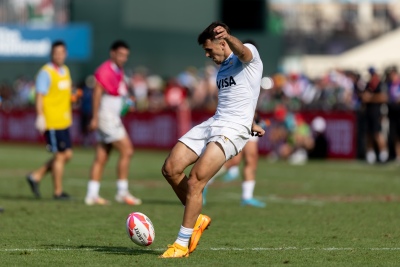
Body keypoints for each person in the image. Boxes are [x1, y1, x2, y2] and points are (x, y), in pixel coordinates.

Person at [159, 22, 264, 258]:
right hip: (215, 122)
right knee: (170, 168)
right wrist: (252, 122)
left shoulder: (248, 54)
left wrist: (230, 37)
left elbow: (243, 51)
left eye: (209, 50)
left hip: (232, 130)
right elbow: (239, 99)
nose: (207, 55)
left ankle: (181, 244)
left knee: (196, 181)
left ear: (223, 43)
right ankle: (196, 219)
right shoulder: (223, 67)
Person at [84, 40, 141, 206]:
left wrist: (126, 103)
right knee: (127, 150)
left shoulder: (118, 70)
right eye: (121, 54)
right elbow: (97, 94)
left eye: (126, 56)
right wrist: (94, 117)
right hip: (106, 117)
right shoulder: (104, 70)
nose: (124, 58)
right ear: (112, 53)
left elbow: (118, 92)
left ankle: (91, 194)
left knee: (102, 156)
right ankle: (122, 192)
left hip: (111, 116)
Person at [26, 40, 73, 200]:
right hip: (52, 121)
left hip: (64, 120)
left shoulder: (65, 70)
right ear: (52, 54)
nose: (59, 56)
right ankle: (58, 192)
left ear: (65, 53)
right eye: (56, 53)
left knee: (67, 155)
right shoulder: (45, 72)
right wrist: (40, 116)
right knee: (59, 156)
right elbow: (40, 96)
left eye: (62, 52)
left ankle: (36, 176)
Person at [203, 113, 267, 208]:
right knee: (234, 161)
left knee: (251, 159)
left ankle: (247, 197)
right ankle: (204, 181)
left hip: (251, 120)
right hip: (239, 118)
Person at [362, 67, 388, 164]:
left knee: (377, 133)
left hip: (377, 113)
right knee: (369, 134)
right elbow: (364, 97)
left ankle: (383, 154)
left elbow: (383, 97)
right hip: (369, 113)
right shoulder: (369, 84)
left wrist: (370, 98)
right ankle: (370, 155)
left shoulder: (380, 84)